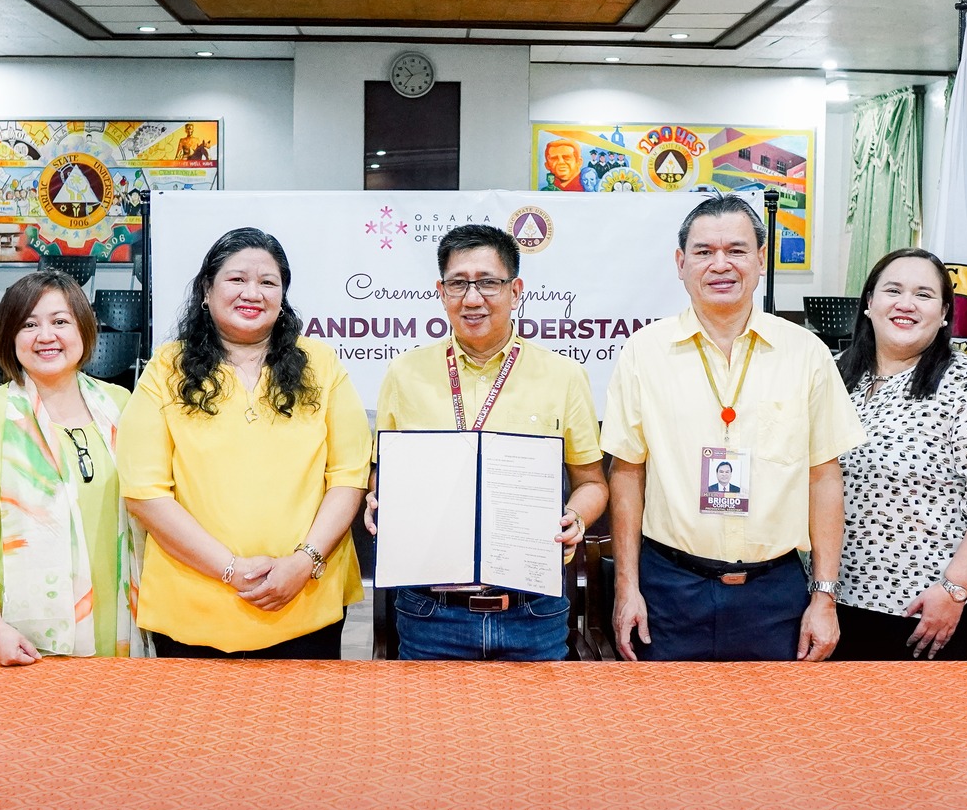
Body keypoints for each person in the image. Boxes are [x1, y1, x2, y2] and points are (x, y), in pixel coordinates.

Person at [602, 193, 864, 662]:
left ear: (761, 260)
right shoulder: (644, 352)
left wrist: (824, 596)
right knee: (666, 711)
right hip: (669, 590)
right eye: (704, 251)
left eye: (736, 250)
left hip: (775, 594)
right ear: (681, 263)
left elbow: (824, 476)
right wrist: (627, 587)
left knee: (774, 712)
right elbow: (626, 473)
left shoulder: (806, 354)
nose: (720, 265)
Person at [122, 229, 369, 658]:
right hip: (192, 608)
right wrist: (230, 569)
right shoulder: (166, 369)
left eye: (268, 282)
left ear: (282, 296)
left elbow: (349, 476)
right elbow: (145, 493)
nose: (252, 293)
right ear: (207, 290)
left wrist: (303, 561)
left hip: (305, 597)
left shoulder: (321, 364)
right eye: (236, 279)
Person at [366, 223, 607, 660]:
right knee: (429, 710)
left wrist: (575, 517)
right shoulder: (405, 374)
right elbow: (383, 474)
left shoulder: (563, 376)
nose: (472, 298)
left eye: (488, 283)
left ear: (515, 291)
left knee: (537, 710)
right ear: (441, 292)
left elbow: (592, 482)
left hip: (533, 612)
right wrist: (379, 498)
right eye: (458, 283)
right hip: (430, 612)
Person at [831, 249, 967, 660]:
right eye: (893, 290)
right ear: (869, 302)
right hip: (837, 604)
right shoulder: (834, 374)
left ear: (943, 314)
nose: (905, 303)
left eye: (923, 294)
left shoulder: (966, 381)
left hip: (930, 611)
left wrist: (955, 589)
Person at [0, 270, 133, 665]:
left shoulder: (120, 405)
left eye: (60, 321)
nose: (46, 336)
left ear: (83, 329)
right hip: (24, 637)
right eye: (29, 325)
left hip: (121, 621)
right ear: (10, 337)